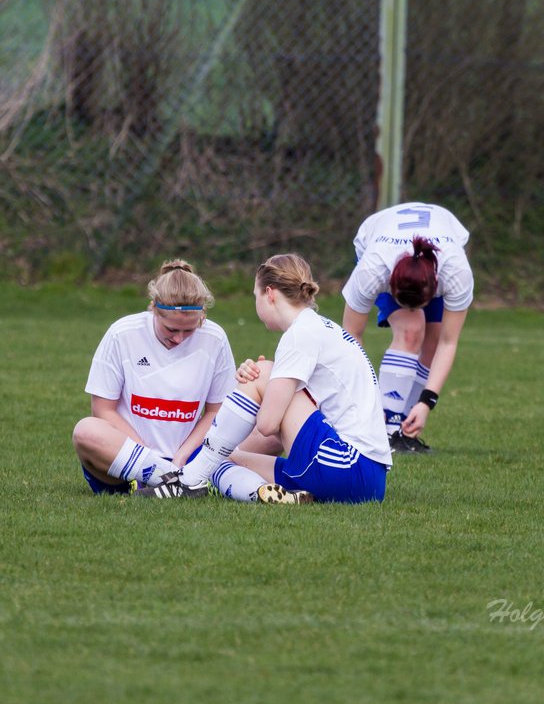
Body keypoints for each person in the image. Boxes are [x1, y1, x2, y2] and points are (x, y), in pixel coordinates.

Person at [137, 253, 391, 504]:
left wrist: (257, 385)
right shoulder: (322, 328)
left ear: (269, 294)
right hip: (368, 481)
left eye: (255, 295)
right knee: (224, 461)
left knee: (261, 373)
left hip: (345, 466)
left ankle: (188, 480)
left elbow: (268, 425)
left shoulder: (300, 334)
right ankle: (208, 477)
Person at [73, 260, 235, 494]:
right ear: (153, 309)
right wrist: (146, 459)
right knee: (85, 431)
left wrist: (181, 456)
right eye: (170, 329)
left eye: (189, 330)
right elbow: (102, 410)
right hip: (126, 460)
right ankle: (174, 483)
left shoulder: (215, 338)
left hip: (186, 458)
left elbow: (216, 412)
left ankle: (175, 481)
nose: (179, 339)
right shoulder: (122, 333)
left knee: (254, 435)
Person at [341, 201, 473, 453]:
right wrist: (370, 398)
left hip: (441, 248)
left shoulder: (456, 272)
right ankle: (387, 431)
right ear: (390, 286)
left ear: (436, 289)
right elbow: (350, 336)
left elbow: (448, 341)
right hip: (377, 240)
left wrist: (426, 403)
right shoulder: (373, 269)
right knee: (412, 328)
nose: (414, 308)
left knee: (432, 343)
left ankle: (404, 429)